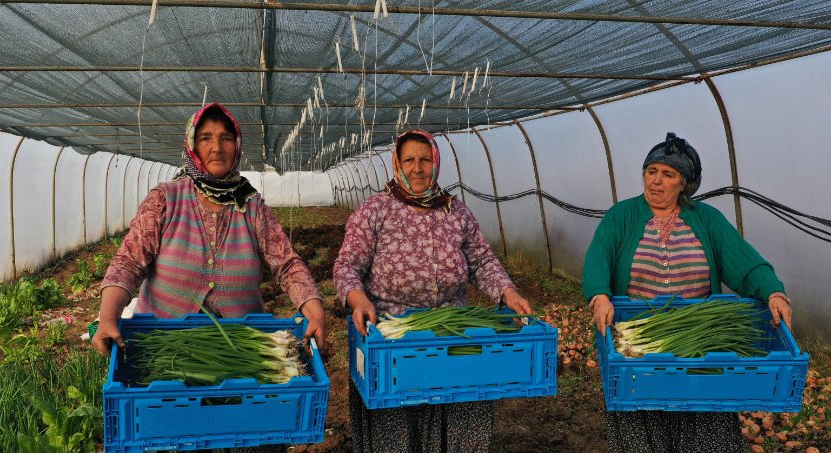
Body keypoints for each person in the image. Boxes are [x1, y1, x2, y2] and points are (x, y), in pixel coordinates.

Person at [582, 132, 793, 452]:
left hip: (699, 342)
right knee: (641, 423)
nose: (656, 181)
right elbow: (598, 257)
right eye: (651, 172)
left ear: (685, 183)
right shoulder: (621, 216)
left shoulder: (706, 219)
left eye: (668, 174)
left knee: (703, 424)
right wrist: (599, 295)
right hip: (638, 344)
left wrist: (774, 293)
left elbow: (744, 262)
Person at [333, 128, 533, 453]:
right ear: (396, 164)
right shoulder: (375, 210)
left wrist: (507, 292)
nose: (417, 167)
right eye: (409, 159)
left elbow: (481, 261)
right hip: (395, 341)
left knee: (457, 423)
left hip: (453, 337)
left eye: (425, 159)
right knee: (398, 430)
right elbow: (347, 267)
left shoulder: (455, 211)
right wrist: (358, 299)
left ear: (436, 163)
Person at [92, 102, 326, 357]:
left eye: (226, 138)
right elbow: (129, 262)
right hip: (163, 347)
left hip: (240, 348)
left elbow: (287, 264)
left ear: (236, 146)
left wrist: (314, 310)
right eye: (206, 138)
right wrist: (108, 316)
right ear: (192, 145)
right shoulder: (165, 199)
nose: (217, 147)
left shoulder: (252, 206)